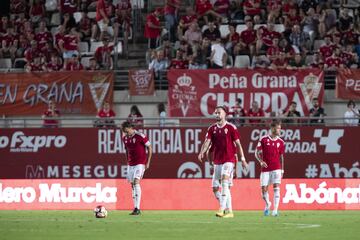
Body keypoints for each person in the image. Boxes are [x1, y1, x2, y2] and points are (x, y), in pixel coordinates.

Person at [198, 106, 248, 218]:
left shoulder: (231, 128)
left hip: (229, 159)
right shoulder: (212, 128)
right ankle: (229, 210)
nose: (217, 114)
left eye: (219, 112)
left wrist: (243, 159)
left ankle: (221, 209)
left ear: (225, 114)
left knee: (225, 181)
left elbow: (238, 145)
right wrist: (202, 152)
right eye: (215, 113)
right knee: (215, 188)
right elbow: (207, 142)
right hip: (217, 161)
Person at [121, 121, 152, 215]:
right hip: (131, 164)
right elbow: (126, 150)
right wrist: (127, 160)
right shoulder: (125, 138)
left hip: (140, 163)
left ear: (130, 128)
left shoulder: (140, 136)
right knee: (132, 185)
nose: (126, 133)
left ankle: (137, 208)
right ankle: (135, 208)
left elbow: (150, 147)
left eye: (127, 131)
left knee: (136, 181)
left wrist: (148, 162)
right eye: (125, 132)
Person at [255, 121, 285, 217]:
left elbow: (281, 157)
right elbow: (256, 152)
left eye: (280, 128)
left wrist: (282, 169)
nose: (279, 130)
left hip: (276, 168)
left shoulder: (281, 142)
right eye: (278, 128)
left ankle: (275, 210)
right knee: (264, 190)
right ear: (272, 128)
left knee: (276, 188)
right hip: (266, 169)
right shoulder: (263, 139)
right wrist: (260, 161)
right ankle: (268, 203)